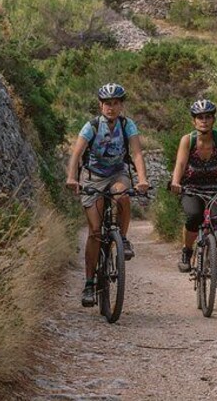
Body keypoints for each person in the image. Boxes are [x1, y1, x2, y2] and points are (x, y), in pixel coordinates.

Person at [66, 83, 150, 308]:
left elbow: (137, 153)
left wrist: (142, 179)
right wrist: (72, 178)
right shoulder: (92, 126)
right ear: (100, 105)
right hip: (92, 177)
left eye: (115, 103)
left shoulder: (127, 125)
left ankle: (121, 238)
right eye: (107, 104)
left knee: (122, 195)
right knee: (95, 232)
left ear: (121, 105)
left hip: (117, 173)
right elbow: (77, 153)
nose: (111, 108)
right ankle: (90, 283)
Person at [169, 99, 217, 289]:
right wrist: (176, 182)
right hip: (192, 188)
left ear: (213, 120)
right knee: (194, 216)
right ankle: (187, 252)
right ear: (194, 121)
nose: (204, 120)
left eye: (208, 117)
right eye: (199, 117)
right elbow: (180, 163)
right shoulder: (188, 140)